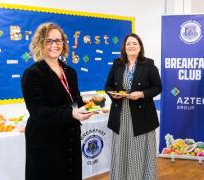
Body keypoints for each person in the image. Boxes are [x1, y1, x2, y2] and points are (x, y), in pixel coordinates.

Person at [21, 23, 93, 180]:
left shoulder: (70, 72)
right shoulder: (32, 74)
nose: (55, 45)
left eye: (58, 41)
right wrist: (71, 114)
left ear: (63, 43)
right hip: (45, 140)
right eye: (49, 41)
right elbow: (37, 112)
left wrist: (86, 107)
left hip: (69, 137)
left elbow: (74, 99)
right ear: (40, 43)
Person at [105, 33, 162, 180]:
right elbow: (108, 85)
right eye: (128, 43)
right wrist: (114, 94)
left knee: (138, 152)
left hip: (141, 117)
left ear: (140, 47)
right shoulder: (117, 63)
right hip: (121, 114)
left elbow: (157, 87)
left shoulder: (148, 64)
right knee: (121, 150)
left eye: (134, 43)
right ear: (124, 47)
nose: (131, 46)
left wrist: (142, 94)